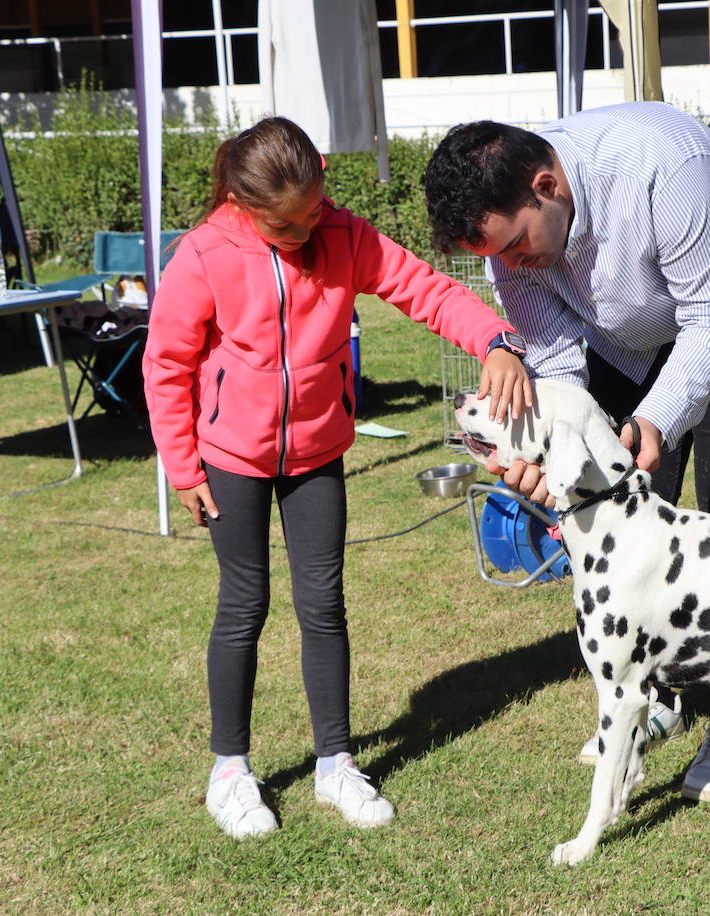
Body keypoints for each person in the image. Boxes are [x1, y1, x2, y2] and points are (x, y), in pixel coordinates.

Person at [143, 116, 532, 839]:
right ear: (244, 205)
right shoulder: (202, 254)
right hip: (229, 459)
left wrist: (496, 340)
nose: (308, 230)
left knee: (323, 604)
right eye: (289, 225)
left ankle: (335, 763)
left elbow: (428, 291)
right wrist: (182, 465)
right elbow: (165, 366)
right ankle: (230, 769)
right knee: (244, 606)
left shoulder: (347, 237)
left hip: (317, 452)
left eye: (316, 210)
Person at [423, 101, 710, 803]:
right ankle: (651, 695)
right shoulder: (513, 242)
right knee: (629, 523)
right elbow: (554, 365)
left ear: (545, 186)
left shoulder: (661, 163)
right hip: (631, 336)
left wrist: (656, 421)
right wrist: (551, 457)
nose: (510, 266)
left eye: (515, 247)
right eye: (495, 258)